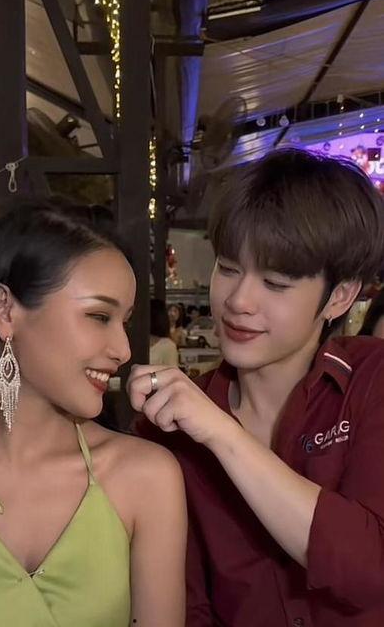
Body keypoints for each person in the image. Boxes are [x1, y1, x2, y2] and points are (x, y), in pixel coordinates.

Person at [0, 200, 186, 627]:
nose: (122, 350)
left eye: (124, 321)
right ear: (6, 311)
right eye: (99, 316)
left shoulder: (146, 479)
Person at [131, 149, 384, 626]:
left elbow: (371, 570)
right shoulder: (167, 427)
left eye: (276, 282)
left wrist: (224, 435)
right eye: (228, 268)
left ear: (340, 296)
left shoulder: (371, 380)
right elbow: (187, 606)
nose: (239, 301)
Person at [150, 299, 179, 367]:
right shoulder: (134, 342)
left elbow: (172, 372)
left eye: (175, 311)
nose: (172, 314)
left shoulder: (167, 346)